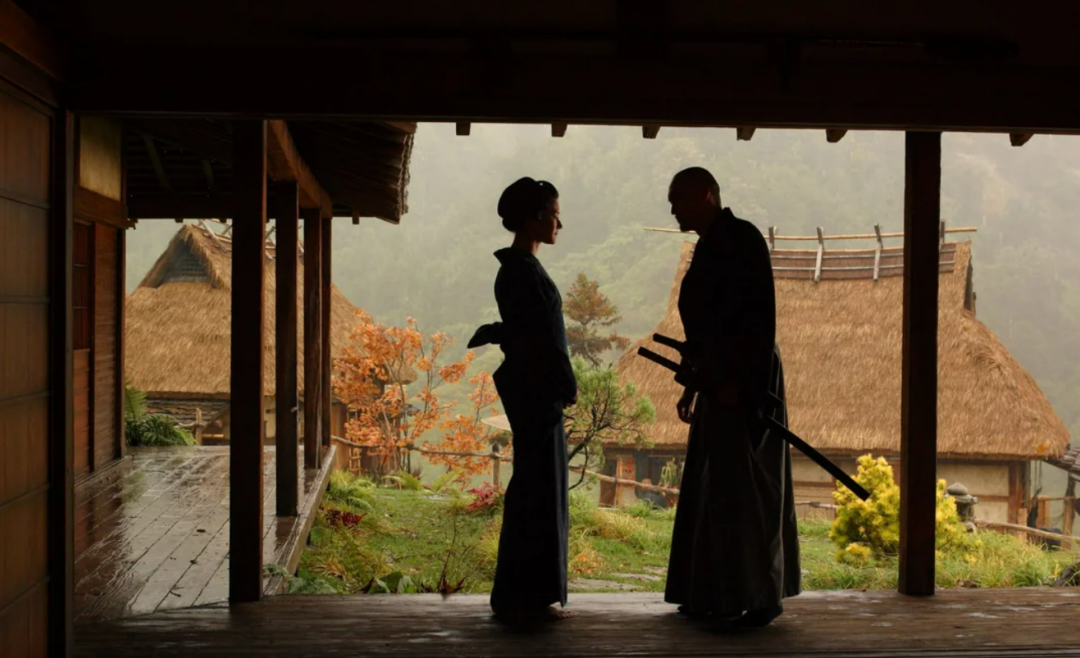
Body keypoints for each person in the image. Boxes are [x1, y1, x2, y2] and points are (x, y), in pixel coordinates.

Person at [663, 167, 801, 632]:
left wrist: (744, 386)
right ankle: (709, 590)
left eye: (677, 199)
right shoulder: (707, 245)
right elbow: (704, 329)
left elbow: (759, 319)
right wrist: (692, 384)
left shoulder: (742, 239)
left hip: (744, 377)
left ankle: (759, 597)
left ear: (705, 195)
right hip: (714, 378)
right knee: (711, 486)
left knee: (748, 488)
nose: (672, 209)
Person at [467, 177, 577, 621]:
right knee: (535, 487)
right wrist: (564, 384)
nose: (559, 223)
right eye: (553, 213)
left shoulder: (520, 268)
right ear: (534, 219)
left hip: (536, 389)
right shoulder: (520, 270)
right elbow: (539, 341)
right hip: (537, 392)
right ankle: (523, 591)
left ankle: (526, 589)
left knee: (536, 485)